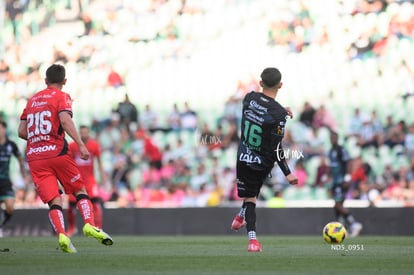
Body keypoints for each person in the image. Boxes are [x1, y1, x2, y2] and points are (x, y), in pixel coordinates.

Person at [18, 64, 113, 253]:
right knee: (79, 190)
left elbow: (21, 131)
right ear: (65, 81)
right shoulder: (62, 97)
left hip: (35, 158)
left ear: (45, 81)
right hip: (57, 153)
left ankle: (62, 234)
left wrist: (40, 138)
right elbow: (65, 121)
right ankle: (89, 224)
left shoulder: (32, 100)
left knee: (54, 200)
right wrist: (81, 144)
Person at [230, 67, 298, 252]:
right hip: (262, 161)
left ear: (260, 83)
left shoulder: (249, 98)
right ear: (281, 85)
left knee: (251, 194)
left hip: (243, 156)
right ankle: (253, 240)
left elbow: (260, 110)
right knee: (251, 198)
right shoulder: (278, 114)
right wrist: (288, 173)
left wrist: (280, 110)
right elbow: (277, 148)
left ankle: (239, 218)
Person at [67, 125, 106, 236]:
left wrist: (103, 177)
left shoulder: (94, 145)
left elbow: (99, 162)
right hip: (76, 180)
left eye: (85, 132)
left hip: (90, 180)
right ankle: (72, 228)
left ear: (88, 133)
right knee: (71, 205)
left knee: (95, 204)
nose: (84, 135)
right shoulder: (72, 146)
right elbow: (68, 164)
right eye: (82, 132)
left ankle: (98, 228)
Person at [327, 130, 362, 237]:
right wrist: (327, 177)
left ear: (337, 139)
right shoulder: (330, 151)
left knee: (338, 204)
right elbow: (331, 166)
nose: (333, 140)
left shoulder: (341, 150)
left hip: (341, 181)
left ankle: (354, 224)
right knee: (338, 205)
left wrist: (347, 178)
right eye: (331, 138)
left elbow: (349, 163)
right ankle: (342, 229)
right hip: (335, 181)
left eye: (334, 138)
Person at [0, 120, 26, 237]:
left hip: (5, 181)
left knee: (10, 208)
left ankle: (1, 225)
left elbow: (20, 159)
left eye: (1, 128)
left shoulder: (11, 145)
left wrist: (23, 173)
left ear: (5, 130)